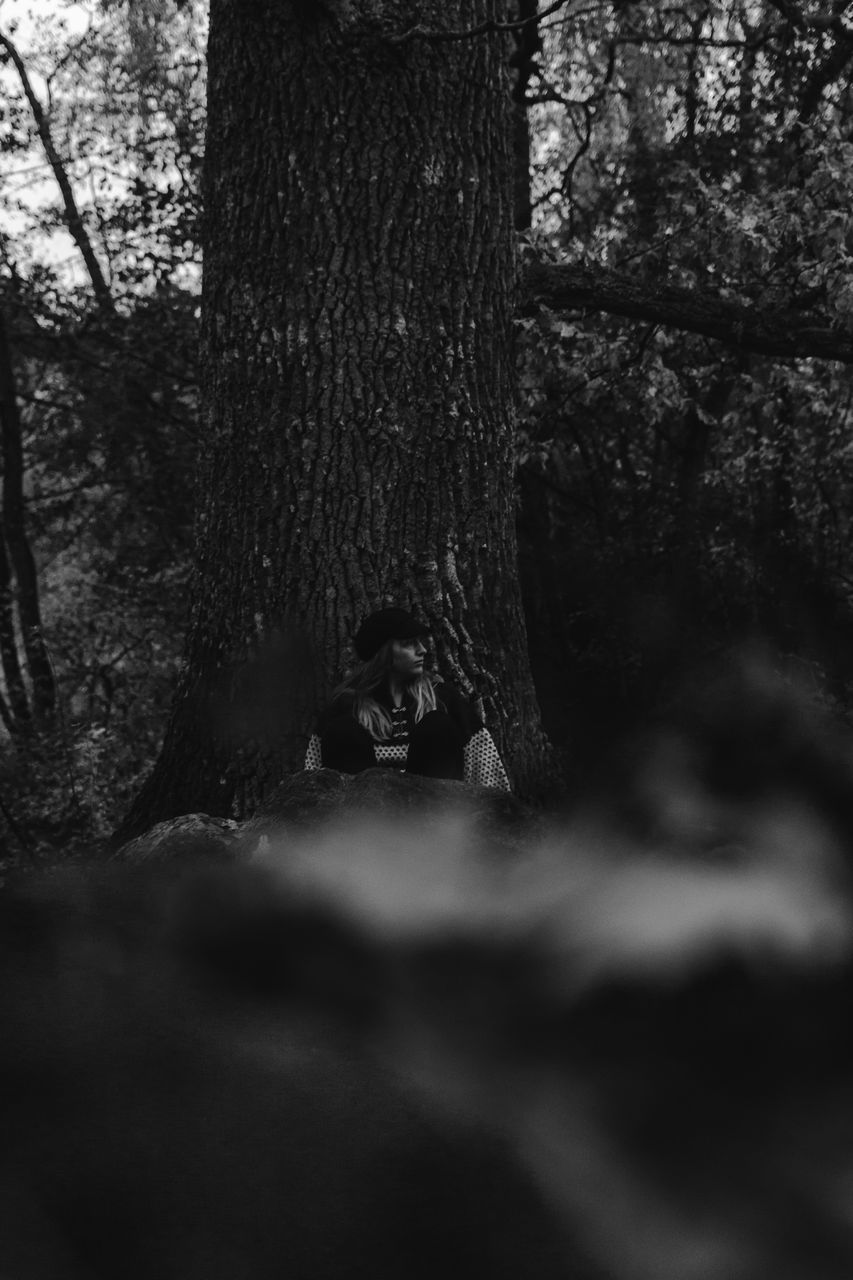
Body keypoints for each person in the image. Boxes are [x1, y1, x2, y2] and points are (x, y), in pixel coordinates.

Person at [304, 606, 511, 790]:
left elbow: (488, 775)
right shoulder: (346, 706)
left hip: (431, 822)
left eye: (419, 642)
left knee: (438, 726)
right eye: (409, 644)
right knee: (343, 732)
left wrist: (498, 822)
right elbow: (312, 778)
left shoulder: (444, 699)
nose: (422, 650)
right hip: (369, 823)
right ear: (384, 653)